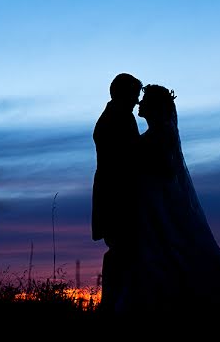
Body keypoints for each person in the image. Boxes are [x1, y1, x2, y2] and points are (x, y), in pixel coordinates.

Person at [116, 83, 220, 316]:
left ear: (156, 106)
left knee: (175, 250)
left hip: (161, 205)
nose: (140, 104)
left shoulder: (163, 133)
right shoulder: (156, 132)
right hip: (151, 205)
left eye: (145, 100)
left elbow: (167, 170)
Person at [92, 72, 143, 314]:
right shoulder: (119, 119)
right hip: (118, 198)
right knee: (122, 252)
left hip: (114, 195)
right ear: (124, 94)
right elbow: (129, 159)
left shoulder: (115, 116)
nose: (137, 102)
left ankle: (116, 305)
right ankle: (116, 308)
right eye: (134, 95)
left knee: (122, 252)